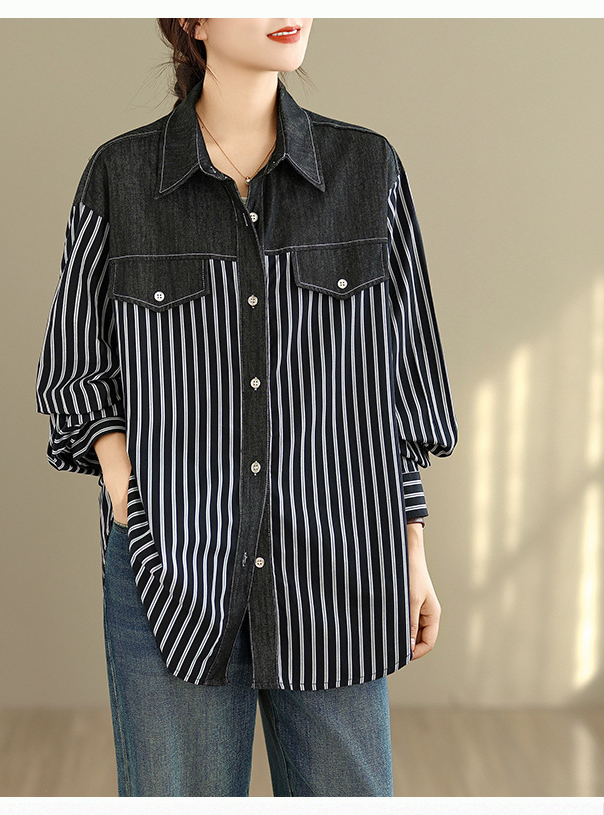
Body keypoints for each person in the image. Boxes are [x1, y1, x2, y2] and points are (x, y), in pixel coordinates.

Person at [35, 18, 458, 797]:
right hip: (171, 570)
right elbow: (76, 366)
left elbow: (398, 387)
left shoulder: (367, 170)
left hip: (339, 566)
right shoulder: (121, 176)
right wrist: (130, 492)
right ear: (193, 18)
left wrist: (411, 548)